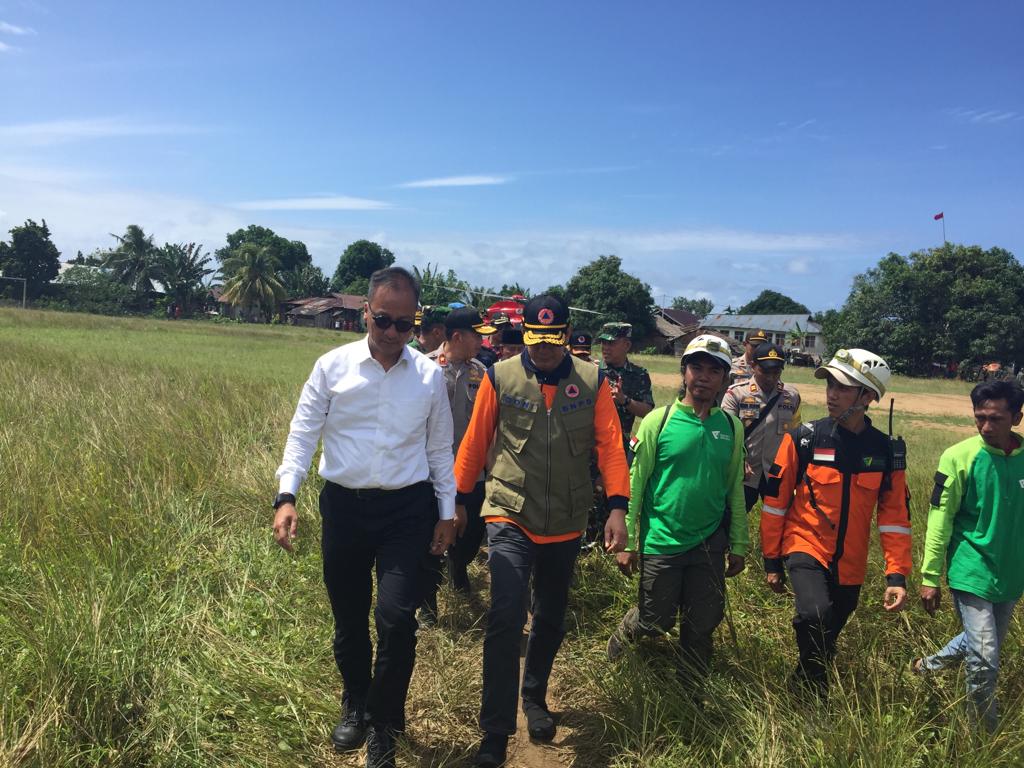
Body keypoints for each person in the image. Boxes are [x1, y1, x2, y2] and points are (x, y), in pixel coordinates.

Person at [271, 267, 458, 768]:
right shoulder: (331, 367)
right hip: (345, 508)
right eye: (383, 321)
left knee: (396, 619)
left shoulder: (429, 376)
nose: (394, 333)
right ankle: (355, 701)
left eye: (405, 323)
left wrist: (446, 513)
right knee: (350, 618)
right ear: (365, 315)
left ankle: (385, 724)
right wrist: (286, 496)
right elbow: (302, 434)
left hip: (406, 511)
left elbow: (441, 451)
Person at [454, 295, 630, 768]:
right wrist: (455, 502)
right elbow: (475, 441)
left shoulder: (592, 381)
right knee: (506, 616)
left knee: (550, 618)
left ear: (567, 334)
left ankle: (534, 699)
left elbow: (611, 447)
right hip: (509, 513)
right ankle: (494, 733)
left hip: (567, 520)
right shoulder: (501, 376)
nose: (546, 350)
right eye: (537, 340)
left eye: (554, 341)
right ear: (526, 334)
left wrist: (617, 508)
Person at [760, 348, 912, 695]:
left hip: (851, 563)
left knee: (828, 632)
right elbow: (775, 504)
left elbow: (894, 519)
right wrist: (771, 559)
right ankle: (817, 694)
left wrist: (897, 574)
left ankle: (800, 686)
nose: (831, 394)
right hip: (805, 546)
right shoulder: (804, 439)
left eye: (843, 387)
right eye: (830, 384)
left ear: (868, 395)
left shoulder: (887, 452)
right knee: (814, 615)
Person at [605, 335, 748, 693]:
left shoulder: (731, 428)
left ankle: (690, 693)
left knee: (702, 625)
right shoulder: (658, 421)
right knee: (656, 621)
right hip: (662, 540)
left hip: (710, 542)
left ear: (724, 378)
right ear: (683, 372)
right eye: (696, 367)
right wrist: (629, 541)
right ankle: (631, 627)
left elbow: (734, 489)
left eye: (713, 370)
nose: (703, 376)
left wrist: (740, 542)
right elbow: (636, 485)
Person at [913, 380, 1024, 731]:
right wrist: (930, 577)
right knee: (986, 657)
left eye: (996, 418)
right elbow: (939, 519)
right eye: (980, 418)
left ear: (1017, 417)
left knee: (980, 642)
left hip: (1011, 573)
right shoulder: (958, 456)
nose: (986, 427)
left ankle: (926, 666)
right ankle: (982, 734)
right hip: (970, 567)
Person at [418, 307, 497, 624]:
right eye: (477, 336)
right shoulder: (424, 369)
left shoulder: (482, 372)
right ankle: (427, 605)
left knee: (472, 532)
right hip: (431, 474)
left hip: (472, 475)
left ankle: (458, 565)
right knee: (429, 540)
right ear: (456, 337)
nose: (482, 342)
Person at [721, 343, 802, 511]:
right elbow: (725, 434)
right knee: (732, 521)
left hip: (776, 474)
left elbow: (796, 436)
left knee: (779, 522)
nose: (771, 378)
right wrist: (739, 460)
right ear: (753, 366)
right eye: (765, 371)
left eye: (776, 372)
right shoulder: (736, 394)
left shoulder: (792, 396)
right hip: (744, 474)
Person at [597, 322, 655, 454]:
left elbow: (647, 412)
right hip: (590, 448)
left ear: (627, 345)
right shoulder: (592, 371)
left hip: (619, 448)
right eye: (603, 342)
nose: (605, 348)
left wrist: (625, 400)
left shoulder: (639, 375)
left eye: (611, 343)